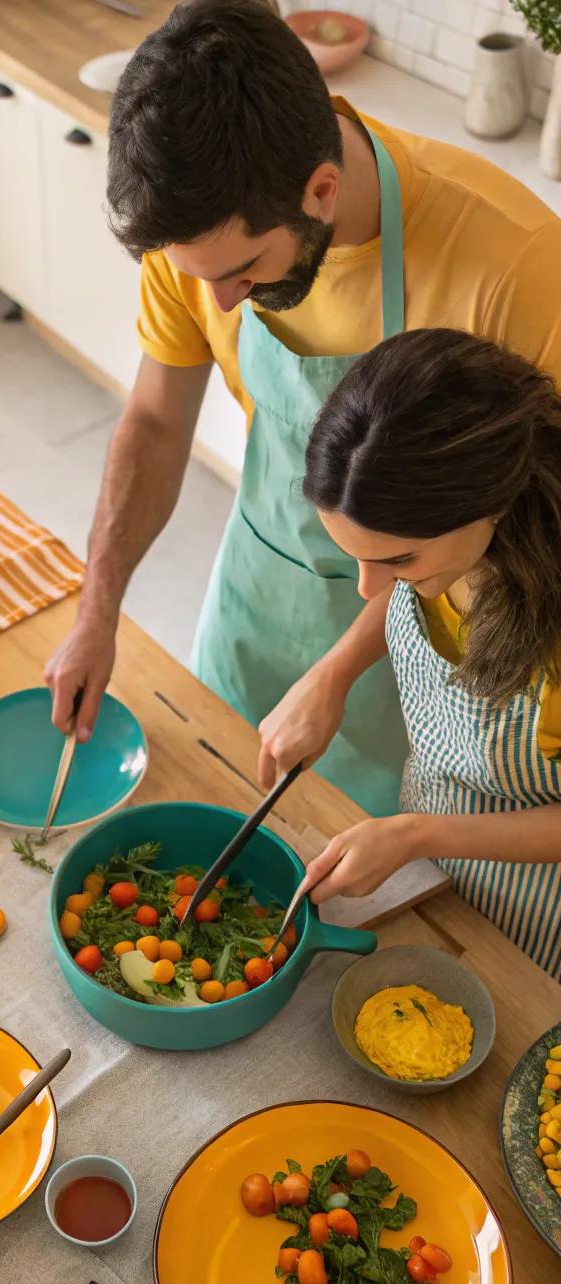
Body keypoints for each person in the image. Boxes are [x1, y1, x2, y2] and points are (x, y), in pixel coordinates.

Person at [44, 0, 561, 819]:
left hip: (425, 626)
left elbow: (526, 525)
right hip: (259, 588)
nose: (218, 300)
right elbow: (156, 423)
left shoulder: (517, 268)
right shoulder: (201, 233)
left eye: (243, 271)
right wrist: (96, 611)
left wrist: (339, 668)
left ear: (321, 190)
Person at [258, 328, 561, 976]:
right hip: (434, 839)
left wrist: (419, 833)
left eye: (398, 561)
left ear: (491, 505)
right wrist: (332, 674)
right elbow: (397, 587)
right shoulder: (450, 546)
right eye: (358, 557)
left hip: (538, 906)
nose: (369, 589)